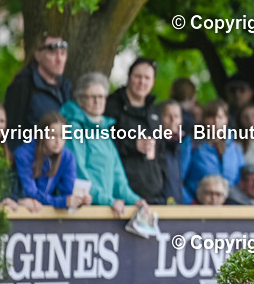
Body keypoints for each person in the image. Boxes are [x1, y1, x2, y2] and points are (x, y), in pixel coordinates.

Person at [60, 73, 149, 217]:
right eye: (91, 97)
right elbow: (78, 173)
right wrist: (108, 200)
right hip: (81, 211)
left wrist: (134, 200)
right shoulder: (73, 128)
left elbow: (117, 175)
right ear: (80, 100)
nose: (97, 101)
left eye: (101, 97)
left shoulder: (103, 130)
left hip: (104, 209)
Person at [104, 57, 165, 205]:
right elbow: (101, 144)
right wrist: (132, 144)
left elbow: (161, 154)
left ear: (153, 82)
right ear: (129, 78)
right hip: (120, 196)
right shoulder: (111, 106)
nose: (142, 82)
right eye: (138, 76)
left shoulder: (155, 112)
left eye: (147, 78)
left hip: (153, 195)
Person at [4, 33, 72, 149]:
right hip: (30, 160)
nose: (59, 59)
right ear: (38, 55)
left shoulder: (66, 87)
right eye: (53, 52)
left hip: (61, 160)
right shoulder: (23, 86)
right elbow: (12, 131)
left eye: (63, 53)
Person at [13, 112, 88, 209]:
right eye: (52, 135)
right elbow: (31, 192)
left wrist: (79, 200)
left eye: (62, 136)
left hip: (45, 211)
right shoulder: (24, 155)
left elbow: (69, 191)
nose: (58, 141)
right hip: (23, 208)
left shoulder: (67, 157)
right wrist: (61, 202)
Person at [184, 99, 245, 200]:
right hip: (198, 204)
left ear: (226, 120)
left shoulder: (235, 145)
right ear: (204, 119)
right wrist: (190, 202)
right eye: (211, 117)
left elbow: (241, 179)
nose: (216, 121)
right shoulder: (191, 143)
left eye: (220, 117)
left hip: (230, 203)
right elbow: (179, 178)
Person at [156, 99, 191, 204]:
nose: (172, 120)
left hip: (176, 206)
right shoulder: (153, 145)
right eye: (167, 115)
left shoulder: (181, 145)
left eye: (176, 116)